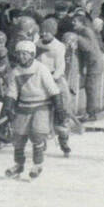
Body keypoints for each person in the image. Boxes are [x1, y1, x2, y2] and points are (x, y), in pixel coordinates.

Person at [3, 40, 65, 179]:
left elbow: (53, 89)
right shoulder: (15, 72)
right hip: (24, 106)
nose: (22, 57)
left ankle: (37, 164)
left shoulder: (40, 69)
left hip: (41, 106)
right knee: (18, 137)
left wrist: (59, 107)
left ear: (32, 55)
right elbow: (12, 91)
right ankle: (18, 164)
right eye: (19, 54)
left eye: (25, 54)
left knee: (37, 135)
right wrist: (8, 106)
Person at [36, 17, 71, 156]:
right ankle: (41, 139)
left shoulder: (58, 46)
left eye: (47, 32)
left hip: (55, 79)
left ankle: (64, 140)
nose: (44, 34)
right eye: (42, 31)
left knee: (60, 108)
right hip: (40, 79)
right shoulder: (37, 43)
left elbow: (60, 66)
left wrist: (53, 78)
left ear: (53, 33)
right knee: (40, 111)